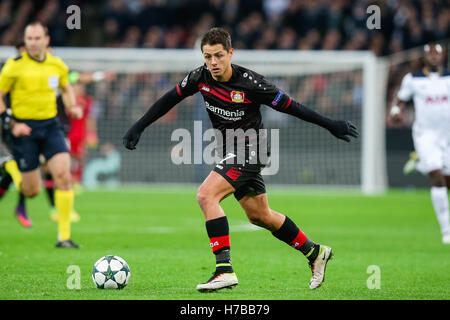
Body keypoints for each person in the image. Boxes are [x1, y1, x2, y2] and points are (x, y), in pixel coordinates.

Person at [123, 27, 358, 291]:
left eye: (219, 56)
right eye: (208, 56)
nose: (213, 62)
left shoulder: (252, 83)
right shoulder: (200, 77)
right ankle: (315, 253)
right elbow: (170, 99)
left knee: (205, 195)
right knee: (260, 215)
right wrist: (139, 126)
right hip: (229, 151)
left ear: (230, 53)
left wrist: (329, 124)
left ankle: (224, 270)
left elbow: (293, 106)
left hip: (251, 149)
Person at [0, 22, 82, 248]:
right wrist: (12, 123)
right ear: (25, 42)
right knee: (32, 191)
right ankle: (9, 166)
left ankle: (63, 237)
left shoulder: (57, 65)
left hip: (50, 126)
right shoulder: (13, 67)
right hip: (24, 129)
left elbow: (66, 88)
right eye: (29, 39)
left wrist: (72, 106)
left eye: (37, 38)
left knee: (64, 177)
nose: (33, 43)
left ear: (46, 40)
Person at [389, 43, 450, 244]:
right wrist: (395, 111)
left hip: (447, 136)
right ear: (424, 57)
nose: (433, 57)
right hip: (426, 136)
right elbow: (399, 100)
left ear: (443, 56)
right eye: (430, 54)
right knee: (437, 176)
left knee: (446, 180)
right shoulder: (413, 79)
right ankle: (446, 231)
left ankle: (420, 163)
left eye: (437, 54)